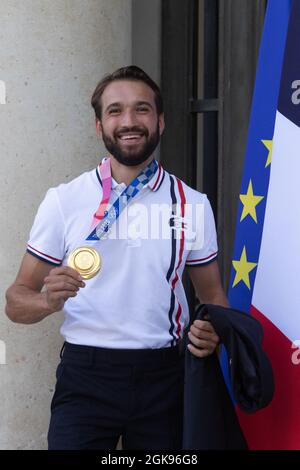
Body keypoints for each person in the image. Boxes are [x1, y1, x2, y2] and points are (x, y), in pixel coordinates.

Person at [5, 65, 228, 450]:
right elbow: (14, 301)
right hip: (85, 377)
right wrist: (46, 299)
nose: (129, 121)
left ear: (160, 121)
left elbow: (213, 299)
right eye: (115, 110)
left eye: (142, 109)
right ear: (98, 126)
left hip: (165, 378)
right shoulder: (64, 201)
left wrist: (214, 333)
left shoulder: (192, 204)